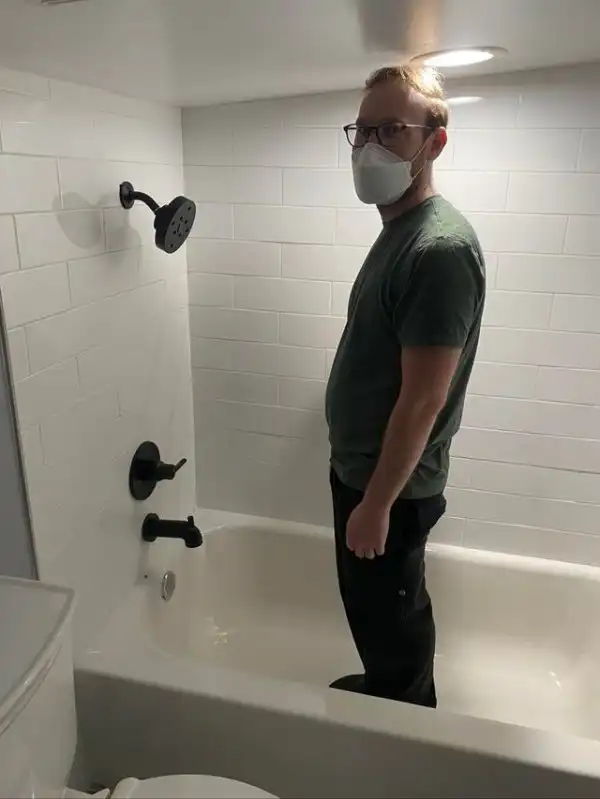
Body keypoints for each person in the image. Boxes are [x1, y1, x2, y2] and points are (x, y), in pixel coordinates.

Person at [325, 65, 486, 708]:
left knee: (393, 624)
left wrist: (376, 505)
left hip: (387, 488)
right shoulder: (402, 232)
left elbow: (424, 399)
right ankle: (387, 692)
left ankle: (405, 718)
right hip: (367, 476)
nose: (370, 146)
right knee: (374, 615)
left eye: (391, 130)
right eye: (362, 130)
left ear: (433, 143)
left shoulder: (438, 250)